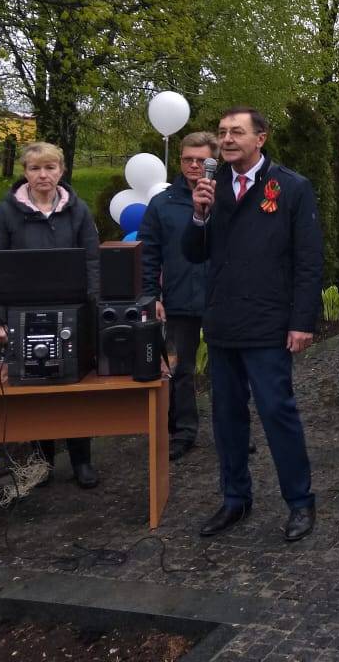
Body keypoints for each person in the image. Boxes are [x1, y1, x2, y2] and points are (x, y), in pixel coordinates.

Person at [184, 107, 323, 542]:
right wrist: (199, 215)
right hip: (224, 321)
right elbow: (193, 253)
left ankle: (300, 502)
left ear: (260, 139)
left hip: (268, 322)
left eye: (236, 132)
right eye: (223, 133)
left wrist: (301, 321)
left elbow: (308, 260)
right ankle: (234, 499)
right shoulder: (211, 186)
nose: (226, 139)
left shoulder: (292, 187)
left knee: (277, 414)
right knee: (226, 419)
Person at [0, 141, 101, 488]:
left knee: (75, 387)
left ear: (61, 171)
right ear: (25, 172)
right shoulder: (5, 212)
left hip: (72, 312)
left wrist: (92, 308)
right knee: (36, 389)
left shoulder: (77, 210)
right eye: (35, 169)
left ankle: (82, 460)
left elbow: (92, 261)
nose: (43, 175)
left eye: (50, 168)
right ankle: (43, 462)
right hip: (22, 313)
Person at [138, 131, 218, 462]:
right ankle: (184, 431)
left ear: (213, 161)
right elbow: (148, 255)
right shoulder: (163, 203)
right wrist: (150, 295)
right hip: (179, 298)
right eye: (188, 159)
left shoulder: (228, 198)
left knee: (228, 370)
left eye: (201, 160)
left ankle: (234, 432)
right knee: (181, 369)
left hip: (221, 298)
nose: (194, 165)